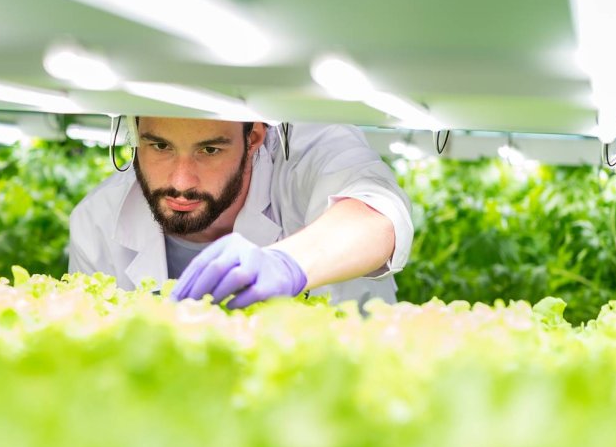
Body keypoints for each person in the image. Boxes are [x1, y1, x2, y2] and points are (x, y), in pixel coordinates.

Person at [68, 116, 413, 308]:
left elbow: (377, 211)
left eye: (210, 149)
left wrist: (285, 264)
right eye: (160, 146)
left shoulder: (305, 152)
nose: (181, 181)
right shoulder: (97, 220)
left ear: (254, 137)